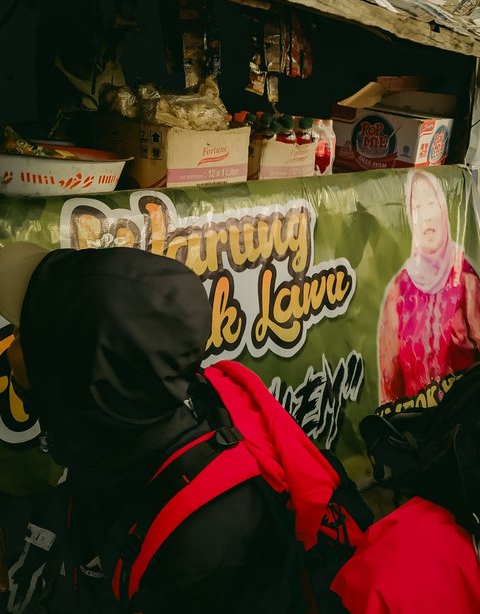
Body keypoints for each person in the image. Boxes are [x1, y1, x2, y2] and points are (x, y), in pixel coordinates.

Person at [0, 242, 368, 614]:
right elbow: (93, 505)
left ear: (73, 378)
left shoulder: (203, 545)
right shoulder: (123, 423)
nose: (11, 344)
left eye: (22, 334)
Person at [378, 169, 480, 405]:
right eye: (417, 208)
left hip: (463, 428)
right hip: (418, 432)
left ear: (443, 210)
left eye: (431, 203)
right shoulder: (398, 292)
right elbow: (388, 386)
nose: (426, 217)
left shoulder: (466, 280)